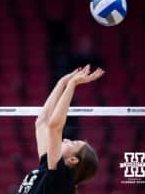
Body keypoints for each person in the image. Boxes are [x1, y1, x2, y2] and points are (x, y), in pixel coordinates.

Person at [18, 64, 105, 194]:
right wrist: (62, 83)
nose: (67, 139)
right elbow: (42, 123)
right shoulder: (50, 168)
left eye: (73, 143)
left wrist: (72, 84)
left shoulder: (62, 178)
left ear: (72, 160)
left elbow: (54, 126)